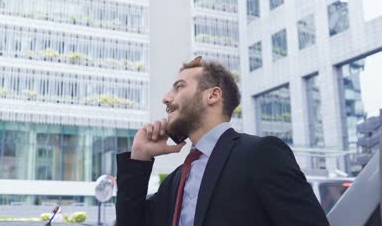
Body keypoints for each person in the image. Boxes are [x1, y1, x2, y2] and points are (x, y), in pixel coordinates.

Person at [116, 57, 329, 226]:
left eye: (179, 87)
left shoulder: (261, 155)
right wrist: (140, 157)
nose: (166, 97)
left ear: (212, 96)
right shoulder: (176, 181)